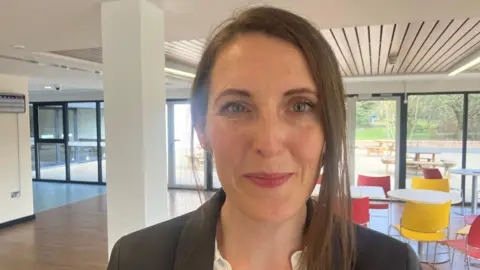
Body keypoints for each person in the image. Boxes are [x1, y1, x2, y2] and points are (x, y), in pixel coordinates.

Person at [107, 6, 420, 270]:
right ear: (202, 128)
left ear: (329, 130)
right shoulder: (136, 259)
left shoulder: (392, 263)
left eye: (300, 106)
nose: (269, 144)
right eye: (236, 107)